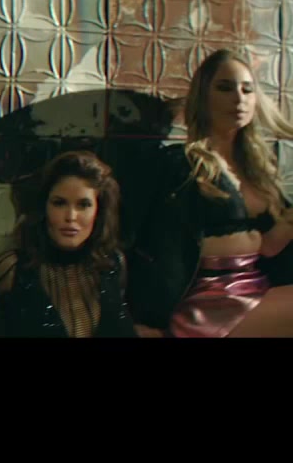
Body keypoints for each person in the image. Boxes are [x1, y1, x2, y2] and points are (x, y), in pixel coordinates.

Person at [125, 49, 293, 337]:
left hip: (257, 288)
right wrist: (149, 320)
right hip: (211, 299)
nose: (239, 98)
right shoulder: (183, 164)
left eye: (247, 89)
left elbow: (269, 247)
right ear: (203, 97)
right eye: (225, 88)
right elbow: (160, 243)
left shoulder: (258, 167)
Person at [0, 151, 136, 337]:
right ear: (43, 208)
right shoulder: (12, 268)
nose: (71, 216)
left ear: (98, 211)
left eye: (83, 205)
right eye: (59, 203)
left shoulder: (112, 264)